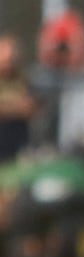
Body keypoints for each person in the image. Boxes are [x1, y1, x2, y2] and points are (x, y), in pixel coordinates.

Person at [0, 34, 36, 164]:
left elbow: (30, 108)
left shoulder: (23, 81)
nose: (8, 62)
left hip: (17, 147)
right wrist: (16, 108)